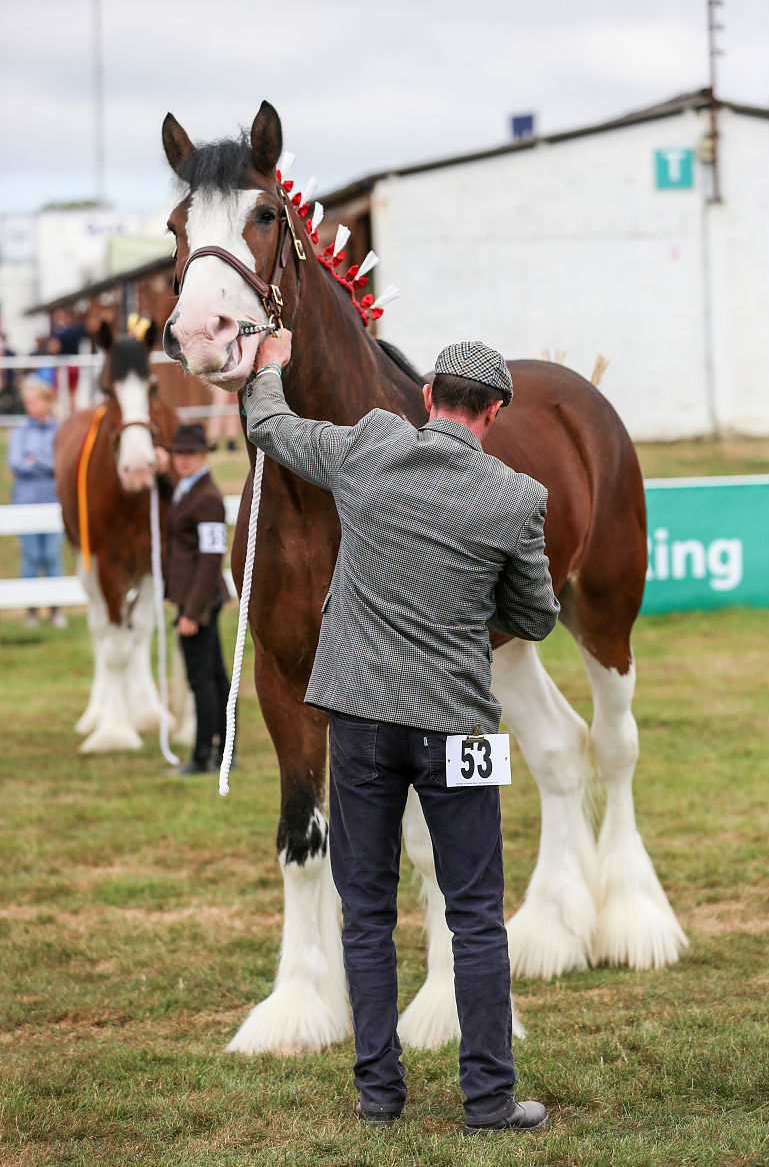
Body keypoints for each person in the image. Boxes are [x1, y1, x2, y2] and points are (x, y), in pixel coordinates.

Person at [244, 332, 560, 1136]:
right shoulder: (516, 498)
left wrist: (274, 359)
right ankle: (489, 1101)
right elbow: (536, 618)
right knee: (477, 916)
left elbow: (272, 426)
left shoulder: (374, 447)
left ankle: (379, 1097)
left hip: (359, 723)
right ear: (492, 413)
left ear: (427, 398)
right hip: (456, 724)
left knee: (368, 912)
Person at [156, 423, 233, 775]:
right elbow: (174, 500)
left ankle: (204, 754)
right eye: (178, 454)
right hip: (196, 598)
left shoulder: (208, 498)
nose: (182, 460)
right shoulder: (188, 490)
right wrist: (160, 474)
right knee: (214, 674)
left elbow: (210, 559)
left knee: (201, 678)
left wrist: (193, 611)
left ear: (203, 454)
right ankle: (224, 748)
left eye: (189, 454)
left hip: (199, 600)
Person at [7, 377, 66, 628]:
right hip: (26, 503)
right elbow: (17, 463)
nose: (30, 406)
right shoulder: (20, 431)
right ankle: (31, 612)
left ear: (47, 402)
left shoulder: (60, 430)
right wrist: (46, 462)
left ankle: (55, 611)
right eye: (28, 402)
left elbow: (61, 464)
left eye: (35, 401)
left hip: (54, 501)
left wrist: (36, 460)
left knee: (52, 556)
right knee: (30, 557)